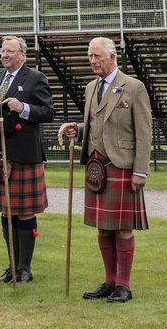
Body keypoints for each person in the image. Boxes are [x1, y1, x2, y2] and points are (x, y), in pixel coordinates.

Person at [59, 36, 152, 303]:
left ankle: (124, 285)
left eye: (97, 56)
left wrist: (140, 171)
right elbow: (95, 125)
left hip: (122, 166)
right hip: (96, 169)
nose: (92, 61)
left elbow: (144, 132)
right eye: (90, 56)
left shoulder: (133, 87)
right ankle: (109, 282)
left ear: (112, 57)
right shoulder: (91, 87)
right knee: (103, 228)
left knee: (122, 228)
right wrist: (78, 130)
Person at [0, 35, 54, 284]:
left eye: (9, 51)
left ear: (23, 54)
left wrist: (23, 108)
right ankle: (12, 266)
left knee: (24, 213)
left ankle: (24, 269)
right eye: (2, 51)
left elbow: (48, 112)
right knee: (6, 211)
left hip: (23, 154)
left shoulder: (35, 78)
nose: (4, 55)